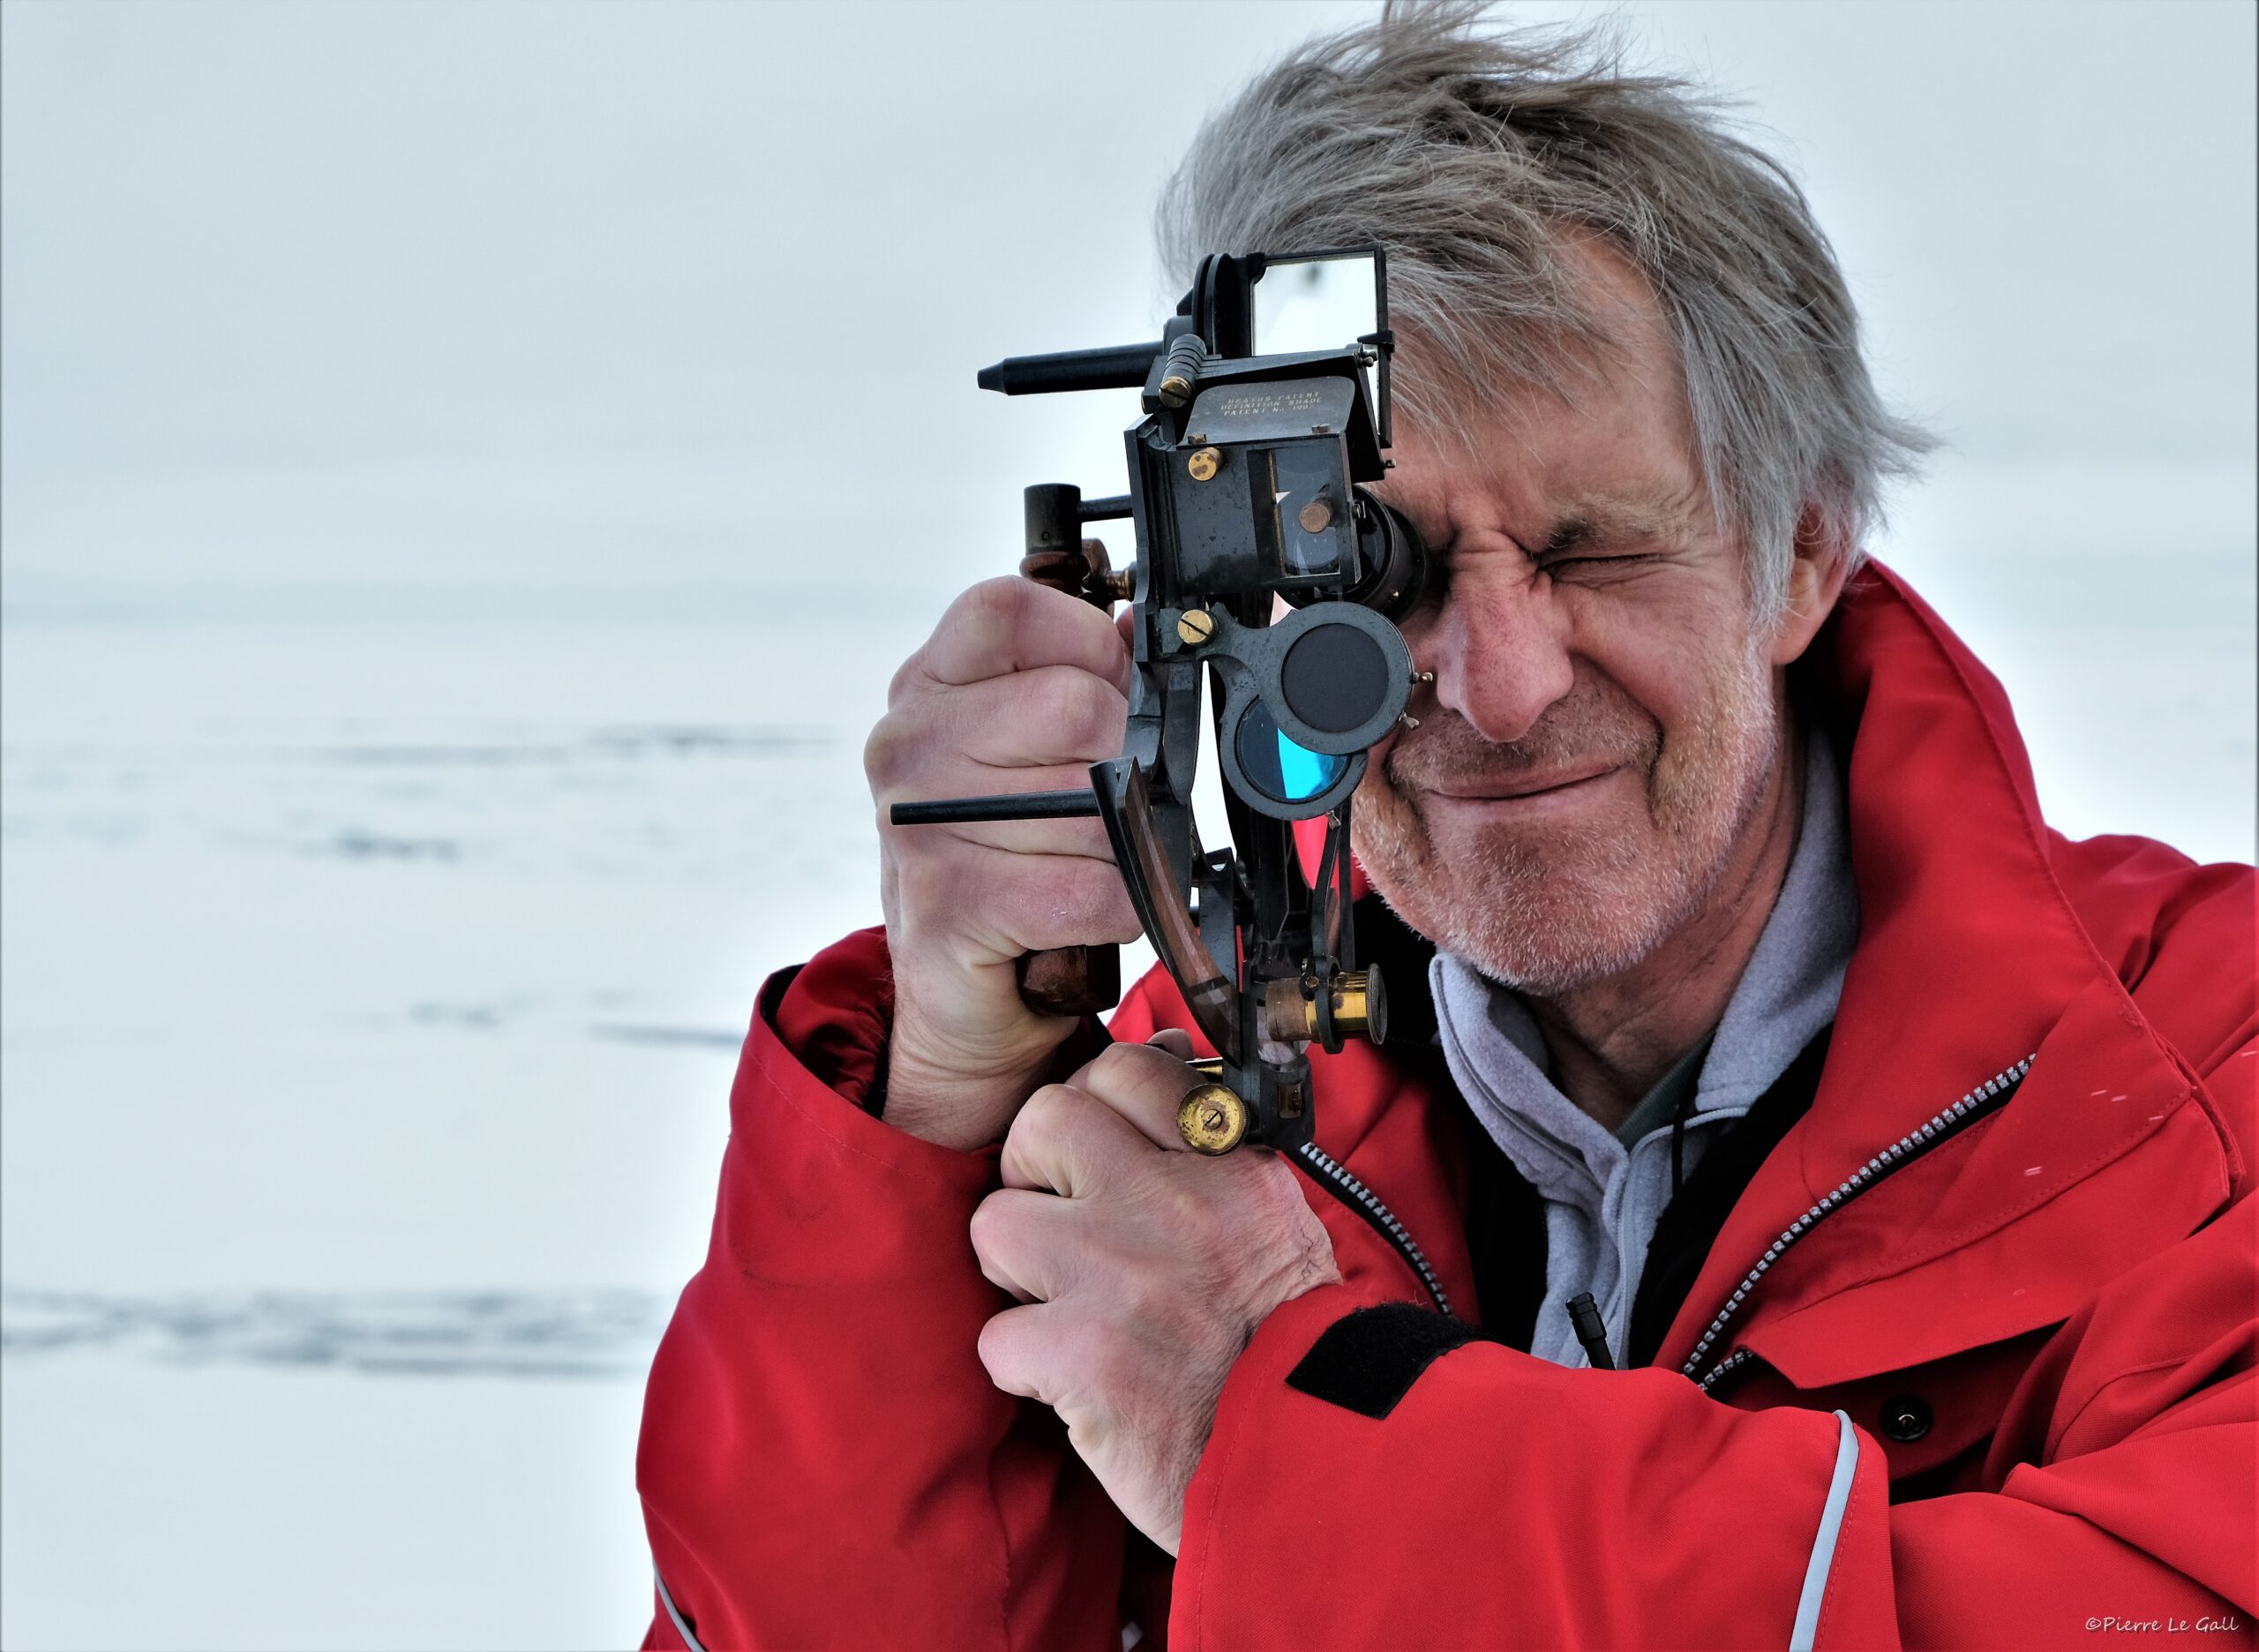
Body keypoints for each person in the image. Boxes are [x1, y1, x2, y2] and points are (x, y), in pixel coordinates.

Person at [635, 10, 2256, 1648]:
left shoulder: (2207, 1091)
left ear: (1804, 557)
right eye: (1374, 573)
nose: (1495, 684)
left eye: (1597, 551)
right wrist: (940, 1120)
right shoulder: (1174, 1131)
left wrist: (1289, 1424)